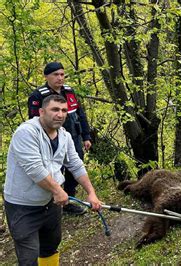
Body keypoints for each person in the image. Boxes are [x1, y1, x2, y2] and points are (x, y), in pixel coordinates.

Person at [4, 95, 101, 265]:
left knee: (50, 245)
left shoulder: (65, 136)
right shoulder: (26, 133)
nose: (60, 114)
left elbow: (76, 165)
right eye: (55, 109)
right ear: (41, 111)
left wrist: (91, 193)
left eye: (64, 110)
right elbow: (35, 169)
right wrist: (58, 191)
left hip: (52, 204)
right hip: (23, 206)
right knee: (29, 256)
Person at [28, 62, 92, 215]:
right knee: (53, 170)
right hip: (50, 140)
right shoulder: (38, 95)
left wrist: (86, 136)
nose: (60, 78)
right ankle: (53, 202)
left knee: (74, 167)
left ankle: (69, 201)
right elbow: (34, 121)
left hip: (73, 137)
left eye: (62, 74)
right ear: (46, 76)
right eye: (55, 74)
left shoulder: (69, 92)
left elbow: (80, 114)